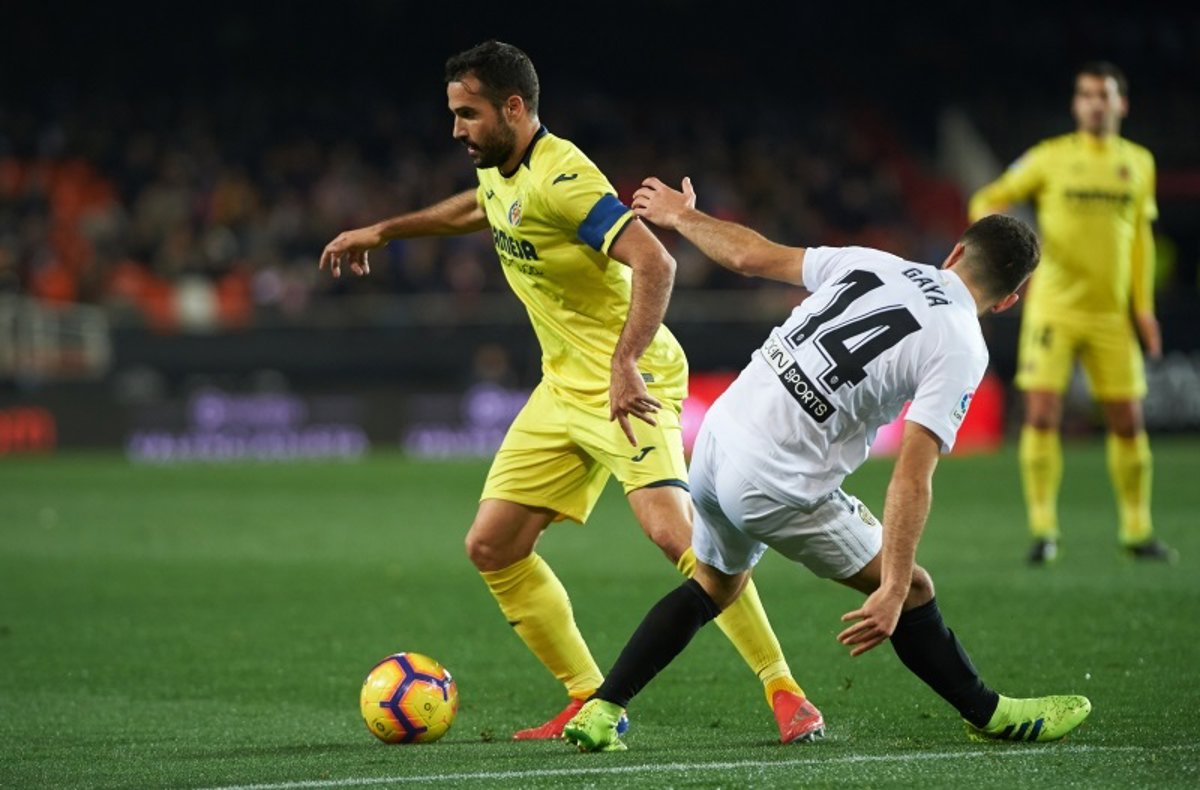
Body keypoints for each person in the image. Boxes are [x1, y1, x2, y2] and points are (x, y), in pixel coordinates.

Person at [318, 40, 820, 743]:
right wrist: (384, 230)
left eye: (468, 114)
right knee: (493, 546)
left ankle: (785, 690)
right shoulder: (500, 170)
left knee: (677, 536)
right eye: (453, 114)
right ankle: (587, 696)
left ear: (513, 108)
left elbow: (657, 262)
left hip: (631, 379)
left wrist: (625, 362)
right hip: (562, 387)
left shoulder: (563, 177)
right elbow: (478, 209)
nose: (456, 129)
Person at [562, 177, 1092, 752]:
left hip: (716, 438)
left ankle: (602, 709)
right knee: (913, 587)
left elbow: (748, 255)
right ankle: (991, 714)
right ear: (1009, 300)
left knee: (714, 584)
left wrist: (683, 217)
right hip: (775, 479)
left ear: (956, 252)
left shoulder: (874, 262)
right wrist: (891, 587)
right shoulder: (962, 344)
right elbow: (912, 474)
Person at [967, 61, 1175, 565]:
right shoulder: (1050, 157)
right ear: (1076, 104)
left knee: (1128, 422)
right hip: (1054, 309)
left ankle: (1137, 529)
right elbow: (987, 198)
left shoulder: (1139, 163)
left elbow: (1141, 239)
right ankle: (1044, 529)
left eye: (1104, 95)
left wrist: (1143, 308)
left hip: (1111, 315)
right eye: (1086, 95)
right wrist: (1006, 248)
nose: (1095, 104)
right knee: (1041, 415)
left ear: (1121, 104)